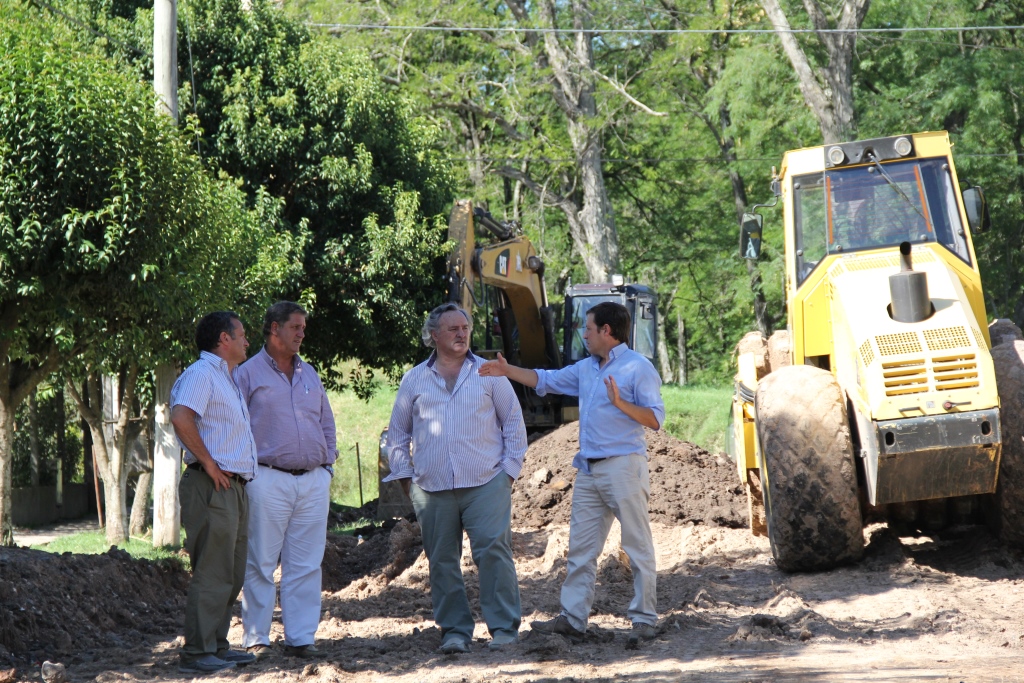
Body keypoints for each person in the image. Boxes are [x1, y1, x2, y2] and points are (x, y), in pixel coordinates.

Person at [479, 301, 665, 648]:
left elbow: (655, 420)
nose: (584, 334)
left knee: (637, 546)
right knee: (580, 550)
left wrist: (621, 403)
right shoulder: (585, 368)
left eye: (589, 329)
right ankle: (573, 619)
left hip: (624, 467)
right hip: (589, 471)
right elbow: (545, 380)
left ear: (606, 332)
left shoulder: (639, 368)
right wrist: (508, 370)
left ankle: (643, 620)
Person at [384, 303, 528, 654]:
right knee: (442, 560)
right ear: (434, 336)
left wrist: (507, 473)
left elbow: (513, 423)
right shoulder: (414, 379)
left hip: (486, 482)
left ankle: (504, 629)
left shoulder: (489, 373)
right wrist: (407, 480)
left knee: (494, 552)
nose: (462, 334)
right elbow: (396, 434)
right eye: (453, 329)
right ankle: (455, 632)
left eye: (465, 327)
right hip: (432, 489)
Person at [236, 301, 337, 660]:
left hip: (312, 481)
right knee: (260, 560)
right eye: (295, 327)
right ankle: (256, 639)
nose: (301, 333)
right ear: (274, 329)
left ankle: (300, 637)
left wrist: (328, 467)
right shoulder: (246, 374)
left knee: (307, 564)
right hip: (266, 478)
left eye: (303, 327)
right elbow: (234, 426)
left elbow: (326, 421)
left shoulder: (310, 373)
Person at [171, 311, 260, 674]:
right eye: (242, 335)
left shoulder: (227, 377)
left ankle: (216, 646)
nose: (247, 342)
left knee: (232, 572)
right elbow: (181, 416)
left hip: (234, 487)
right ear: (224, 339)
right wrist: (208, 463)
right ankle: (197, 653)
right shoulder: (202, 373)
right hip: (212, 485)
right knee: (213, 571)